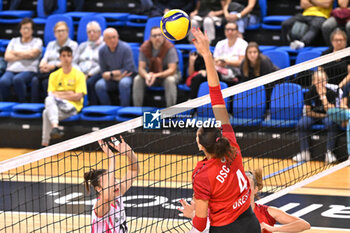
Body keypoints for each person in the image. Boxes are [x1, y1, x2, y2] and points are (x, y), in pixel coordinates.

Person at [178, 28, 261, 233]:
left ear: (200, 145)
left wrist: (193, 221)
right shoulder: (232, 145)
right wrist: (207, 54)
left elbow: (200, 221)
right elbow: (216, 94)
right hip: (250, 223)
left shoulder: (201, 174)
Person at [84, 136, 139, 232]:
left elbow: (134, 170)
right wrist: (112, 158)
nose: (115, 184)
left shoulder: (117, 195)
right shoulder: (100, 206)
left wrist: (129, 153)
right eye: (109, 182)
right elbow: (107, 196)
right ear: (99, 188)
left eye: (114, 180)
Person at [41, 46, 87, 147]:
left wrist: (59, 94)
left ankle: (45, 142)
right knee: (47, 106)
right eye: (64, 55)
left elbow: (78, 97)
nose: (66, 58)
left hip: (73, 107)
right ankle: (50, 135)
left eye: (69, 55)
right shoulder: (54, 75)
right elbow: (51, 95)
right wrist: (69, 93)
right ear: (60, 58)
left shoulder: (79, 75)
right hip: (57, 106)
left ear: (72, 57)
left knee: (46, 112)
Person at [293, 69, 339, 163]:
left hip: (328, 116)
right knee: (301, 124)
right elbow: (308, 112)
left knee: (332, 123)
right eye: (317, 80)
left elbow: (330, 110)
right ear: (313, 81)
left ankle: (329, 153)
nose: (320, 82)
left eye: (322, 79)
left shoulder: (331, 92)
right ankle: (304, 152)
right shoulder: (310, 92)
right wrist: (321, 116)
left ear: (326, 81)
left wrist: (323, 96)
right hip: (314, 116)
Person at [245, 169, 311, 233]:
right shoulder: (234, 213)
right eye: (242, 188)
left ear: (255, 189)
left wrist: (274, 229)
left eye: (248, 187)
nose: (244, 191)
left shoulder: (267, 212)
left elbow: (304, 225)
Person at [133, 26, 180, 107]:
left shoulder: (169, 48)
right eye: (154, 36)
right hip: (150, 75)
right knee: (137, 79)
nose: (157, 38)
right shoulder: (144, 47)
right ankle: (137, 110)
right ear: (150, 38)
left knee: (170, 80)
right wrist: (146, 76)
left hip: (167, 75)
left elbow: (172, 70)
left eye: (159, 35)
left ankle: (171, 110)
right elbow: (141, 68)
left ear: (163, 36)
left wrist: (156, 75)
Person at [31, 21, 78, 103]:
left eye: (63, 31)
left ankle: (50, 104)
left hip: (62, 70)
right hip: (48, 69)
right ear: (54, 33)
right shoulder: (50, 44)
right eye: (58, 31)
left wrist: (53, 66)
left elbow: (68, 62)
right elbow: (45, 58)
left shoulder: (73, 45)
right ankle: (34, 105)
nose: (60, 33)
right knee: (35, 80)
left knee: (47, 82)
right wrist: (43, 64)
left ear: (67, 32)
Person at [0, 18, 42, 102]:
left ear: (32, 30)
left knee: (18, 79)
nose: (25, 31)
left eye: (28, 28)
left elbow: (32, 54)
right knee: (3, 81)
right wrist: (25, 54)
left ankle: (23, 102)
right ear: (20, 30)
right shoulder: (13, 41)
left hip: (28, 70)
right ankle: (5, 104)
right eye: (23, 28)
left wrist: (15, 53)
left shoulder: (37, 41)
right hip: (12, 69)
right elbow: (7, 57)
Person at [96, 28, 135, 106]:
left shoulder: (125, 48)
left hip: (126, 77)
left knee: (124, 83)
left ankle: (124, 110)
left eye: (114, 37)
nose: (112, 40)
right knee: (99, 85)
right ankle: (107, 110)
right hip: (112, 79)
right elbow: (103, 72)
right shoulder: (101, 51)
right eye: (109, 38)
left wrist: (111, 74)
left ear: (118, 37)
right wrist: (115, 76)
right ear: (104, 40)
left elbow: (128, 69)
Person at [74, 21, 104, 105]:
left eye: (94, 31)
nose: (91, 34)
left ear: (99, 32)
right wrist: (80, 74)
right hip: (80, 73)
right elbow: (73, 62)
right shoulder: (82, 46)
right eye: (89, 32)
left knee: (89, 83)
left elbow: (102, 64)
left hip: (95, 73)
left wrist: (89, 74)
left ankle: (92, 106)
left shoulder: (104, 46)